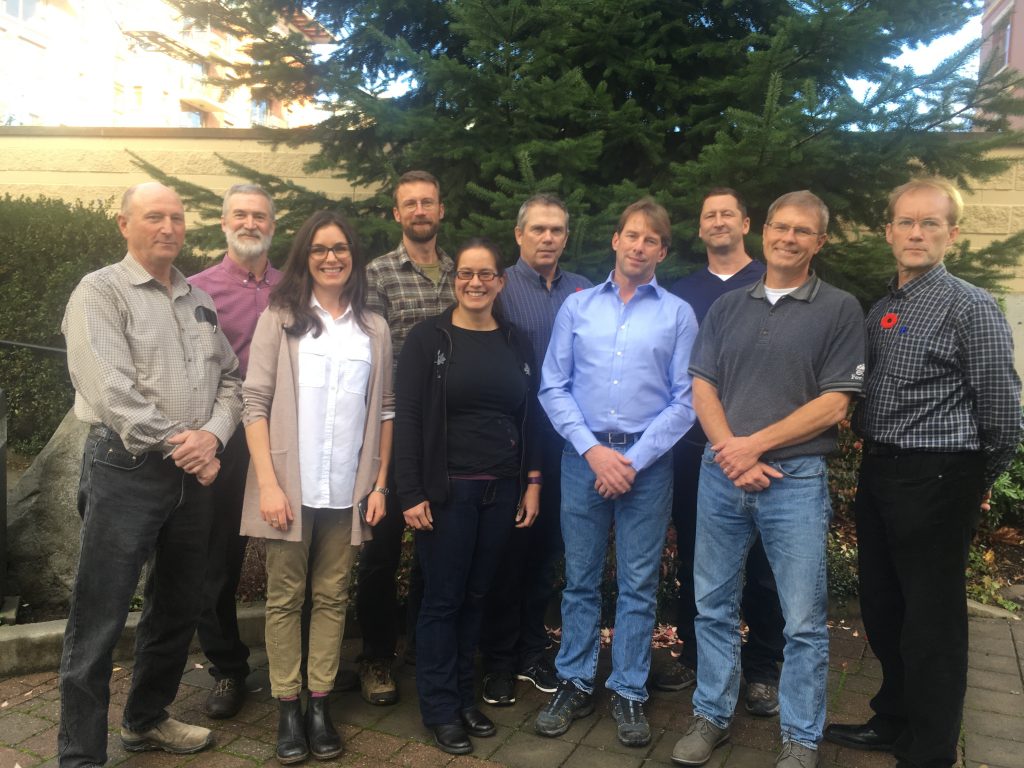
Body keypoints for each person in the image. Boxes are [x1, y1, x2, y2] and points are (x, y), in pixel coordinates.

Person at [824, 179, 1022, 768]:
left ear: (951, 235)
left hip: (938, 479)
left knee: (932, 622)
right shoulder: (883, 308)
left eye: (930, 223)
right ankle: (894, 720)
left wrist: (973, 481)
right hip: (881, 472)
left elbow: (1003, 412)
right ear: (888, 232)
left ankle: (931, 750)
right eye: (906, 222)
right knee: (885, 607)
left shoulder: (970, 306)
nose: (916, 233)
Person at [673, 191, 865, 768]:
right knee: (712, 605)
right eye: (781, 227)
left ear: (819, 242)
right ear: (765, 232)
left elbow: (835, 403)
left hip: (796, 478)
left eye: (802, 231)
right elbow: (702, 384)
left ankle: (800, 738)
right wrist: (730, 452)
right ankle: (711, 714)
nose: (788, 238)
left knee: (802, 620)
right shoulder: (729, 306)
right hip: (721, 474)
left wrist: (750, 446)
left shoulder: (839, 309)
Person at [59, 181, 241, 767]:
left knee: (178, 604)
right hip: (126, 468)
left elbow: (232, 379)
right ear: (124, 224)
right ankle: (79, 754)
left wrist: (213, 436)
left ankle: (146, 720)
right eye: (154, 217)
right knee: (100, 612)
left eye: (177, 218)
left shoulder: (198, 300)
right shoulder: (100, 292)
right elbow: (109, 389)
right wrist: (186, 445)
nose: (168, 228)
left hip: (192, 476)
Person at [535, 198, 698, 748]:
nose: (639, 247)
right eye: (632, 235)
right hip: (583, 460)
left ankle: (629, 687)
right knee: (580, 580)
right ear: (615, 239)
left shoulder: (678, 314)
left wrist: (633, 460)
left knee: (638, 583)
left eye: (651, 240)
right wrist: (593, 452)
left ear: (662, 251)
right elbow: (553, 385)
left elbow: (685, 400)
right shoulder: (578, 307)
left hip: (646, 467)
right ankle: (576, 681)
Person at [240, 211, 394, 763]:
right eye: (320, 249)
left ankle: (320, 704)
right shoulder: (280, 319)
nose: (331, 258)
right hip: (289, 488)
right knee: (285, 599)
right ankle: (288, 707)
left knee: (331, 597)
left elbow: (386, 410)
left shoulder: (373, 329)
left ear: (354, 256)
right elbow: (254, 403)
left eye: (341, 248)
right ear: (305, 257)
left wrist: (380, 484)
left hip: (348, 492)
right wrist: (268, 484)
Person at [396, 239, 542, 755]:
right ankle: (439, 708)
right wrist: (410, 491)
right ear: (454, 279)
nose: (475, 283)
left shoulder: (517, 341)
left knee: (477, 595)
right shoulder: (428, 339)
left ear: (501, 281)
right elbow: (408, 418)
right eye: (465, 274)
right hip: (447, 492)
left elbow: (531, 417)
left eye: (485, 274)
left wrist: (532, 482)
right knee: (443, 600)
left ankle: (463, 697)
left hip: (501, 491)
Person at [652, 188, 785, 718]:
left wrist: (759, 442)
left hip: (765, 446)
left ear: (746, 223)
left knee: (764, 563)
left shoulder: (772, 282)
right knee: (696, 556)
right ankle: (695, 654)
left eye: (728, 213)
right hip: (696, 448)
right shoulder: (683, 293)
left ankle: (763, 668)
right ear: (701, 227)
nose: (719, 221)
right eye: (709, 215)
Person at [480, 193, 592, 706]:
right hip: (513, 440)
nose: (548, 238)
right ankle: (498, 660)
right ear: (519, 234)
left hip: (567, 442)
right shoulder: (499, 288)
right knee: (509, 550)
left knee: (547, 551)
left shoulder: (584, 291)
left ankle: (531, 649)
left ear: (566, 237)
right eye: (539, 229)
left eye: (557, 230)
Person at [359, 170, 456, 705]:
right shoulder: (376, 275)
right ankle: (376, 656)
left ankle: (422, 644)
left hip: (449, 434)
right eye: (410, 204)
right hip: (391, 430)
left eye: (428, 202)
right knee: (380, 550)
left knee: (434, 547)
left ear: (441, 210)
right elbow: (368, 357)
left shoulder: (461, 273)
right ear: (397, 214)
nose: (420, 210)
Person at [189, 183, 281, 719]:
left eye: (259, 216)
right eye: (240, 215)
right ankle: (227, 668)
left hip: (284, 438)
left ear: (273, 225)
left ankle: (305, 660)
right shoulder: (196, 292)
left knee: (295, 550)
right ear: (224, 223)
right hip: (224, 438)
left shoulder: (296, 289)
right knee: (217, 559)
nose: (250, 223)